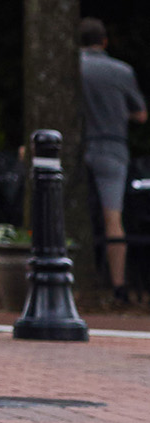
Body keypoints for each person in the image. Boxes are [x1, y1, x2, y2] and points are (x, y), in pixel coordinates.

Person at [81, 19, 143, 307]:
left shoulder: (72, 68)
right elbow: (141, 114)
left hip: (79, 146)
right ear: (104, 41)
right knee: (113, 218)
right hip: (112, 147)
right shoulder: (121, 71)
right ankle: (119, 286)